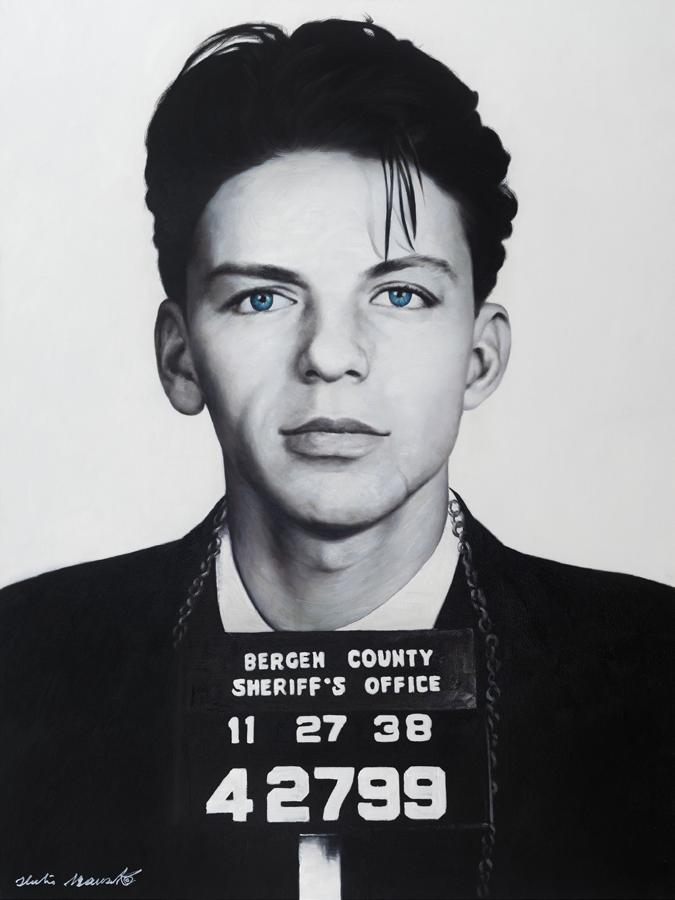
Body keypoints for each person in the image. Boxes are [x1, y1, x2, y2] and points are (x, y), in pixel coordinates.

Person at [0, 18, 671, 900]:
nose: (329, 355)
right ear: (180, 356)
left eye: (401, 294)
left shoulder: (653, 672)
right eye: (260, 297)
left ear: (480, 356)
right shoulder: (21, 664)